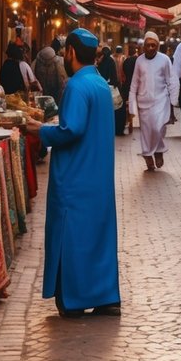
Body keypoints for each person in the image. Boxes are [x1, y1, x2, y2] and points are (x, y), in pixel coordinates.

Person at [25, 27, 121, 318]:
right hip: (98, 176)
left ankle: (74, 298)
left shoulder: (77, 85)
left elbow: (72, 129)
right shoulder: (100, 83)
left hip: (75, 177)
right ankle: (105, 296)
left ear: (71, 52)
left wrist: (39, 129)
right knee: (98, 236)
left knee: (72, 235)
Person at [128, 31, 179, 172]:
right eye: (148, 45)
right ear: (143, 46)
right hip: (143, 102)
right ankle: (147, 154)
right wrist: (132, 106)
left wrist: (174, 99)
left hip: (161, 100)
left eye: (153, 45)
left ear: (157, 46)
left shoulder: (164, 60)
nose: (150, 48)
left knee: (158, 128)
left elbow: (172, 79)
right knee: (146, 131)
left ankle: (158, 150)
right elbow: (134, 84)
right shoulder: (139, 61)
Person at [97, 46, 125, 136]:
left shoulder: (100, 62)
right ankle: (117, 129)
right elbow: (114, 76)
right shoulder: (111, 61)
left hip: (101, 88)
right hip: (111, 88)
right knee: (117, 109)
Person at [121, 42, 138, 134]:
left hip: (128, 85)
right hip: (138, 85)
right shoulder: (139, 60)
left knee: (129, 105)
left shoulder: (126, 61)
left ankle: (130, 122)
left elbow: (123, 74)